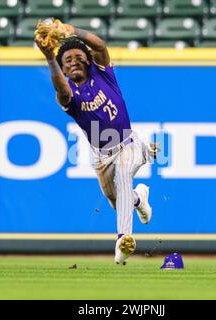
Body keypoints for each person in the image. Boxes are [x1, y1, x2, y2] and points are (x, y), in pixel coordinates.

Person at [36, 23, 156, 265]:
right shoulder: (68, 95)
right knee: (117, 199)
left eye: (79, 57)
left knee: (123, 175)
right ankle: (138, 199)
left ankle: (123, 241)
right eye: (67, 60)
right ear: (62, 69)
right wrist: (50, 57)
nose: (73, 62)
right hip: (101, 157)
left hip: (129, 144)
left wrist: (71, 30)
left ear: (88, 61)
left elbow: (99, 45)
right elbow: (61, 89)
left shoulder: (102, 73)